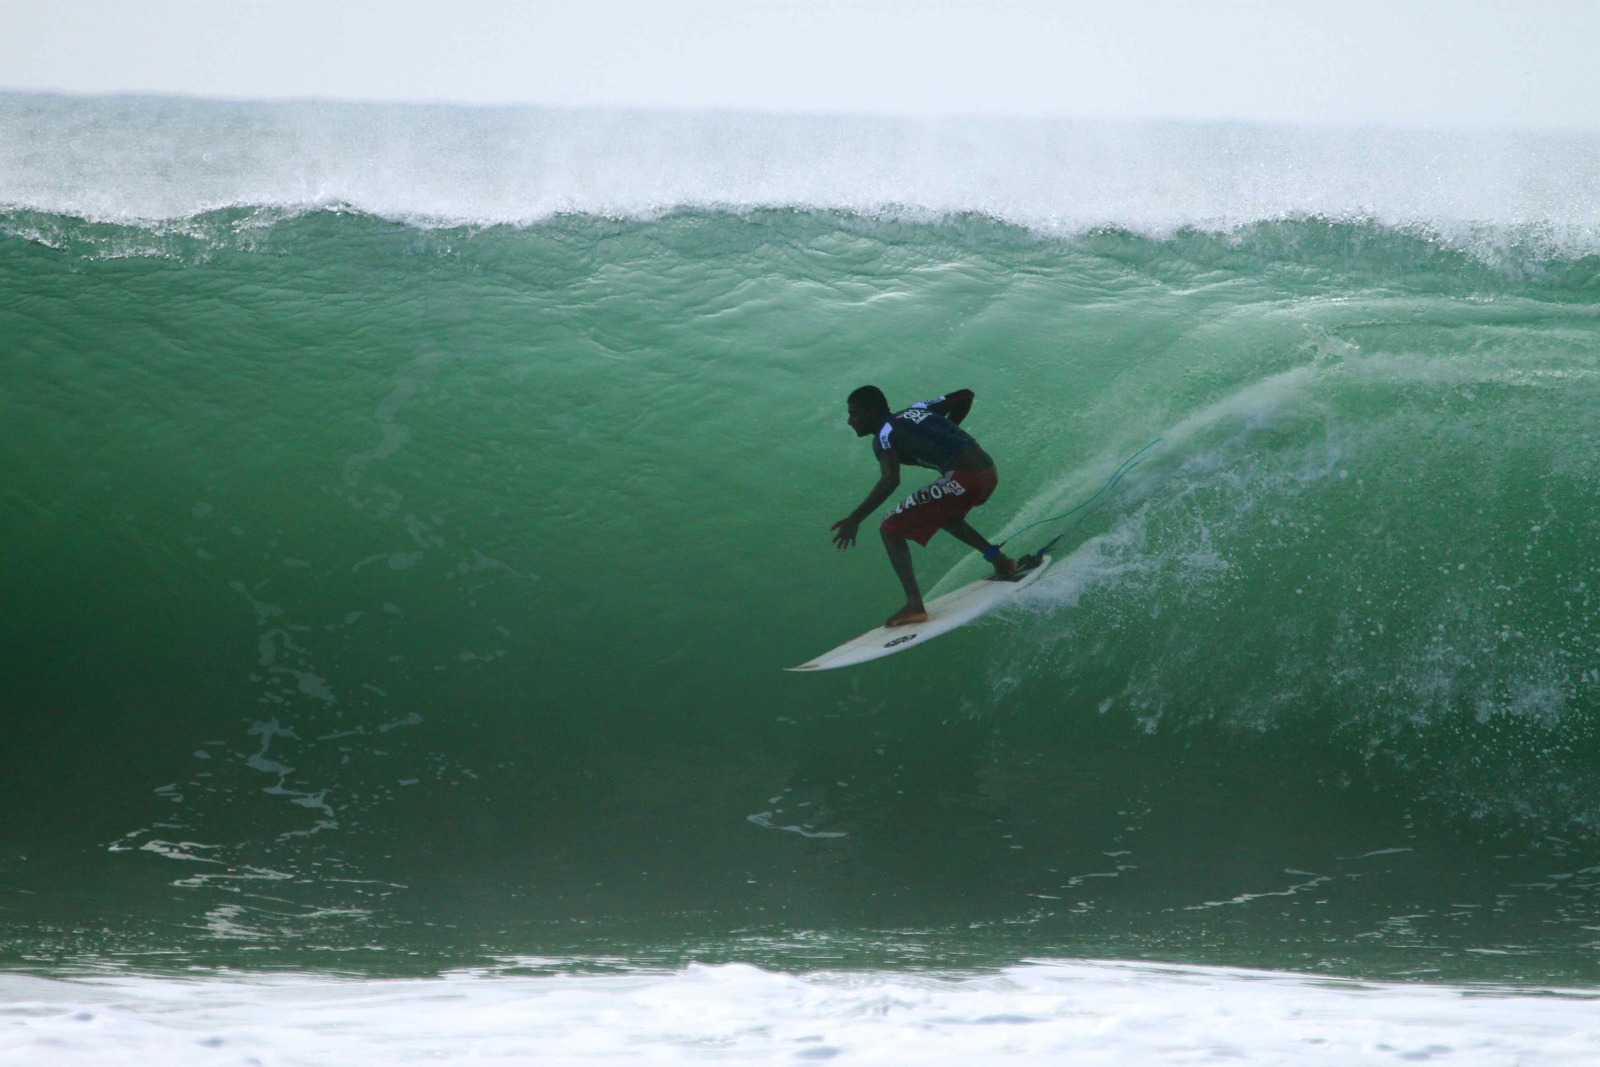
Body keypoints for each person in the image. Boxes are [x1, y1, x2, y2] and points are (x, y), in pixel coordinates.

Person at [831, 385, 1017, 627]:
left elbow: (890, 480)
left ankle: (914, 606)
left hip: (964, 477)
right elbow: (965, 395)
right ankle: (1000, 561)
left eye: (854, 414)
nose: (849, 421)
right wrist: (948, 430)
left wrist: (854, 519)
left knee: (890, 528)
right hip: (988, 472)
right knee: (944, 515)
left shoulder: (884, 435)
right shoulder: (919, 409)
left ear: (871, 413)